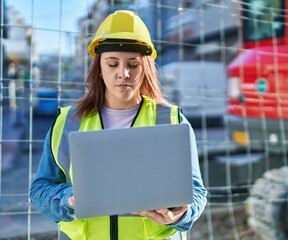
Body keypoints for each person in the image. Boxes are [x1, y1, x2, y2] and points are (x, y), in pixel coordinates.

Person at [30, 10, 207, 240]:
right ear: (99, 69)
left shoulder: (172, 120)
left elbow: (197, 193)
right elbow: (39, 189)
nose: (123, 73)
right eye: (112, 63)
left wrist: (180, 215)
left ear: (145, 68)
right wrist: (69, 199)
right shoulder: (68, 122)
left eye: (132, 64)